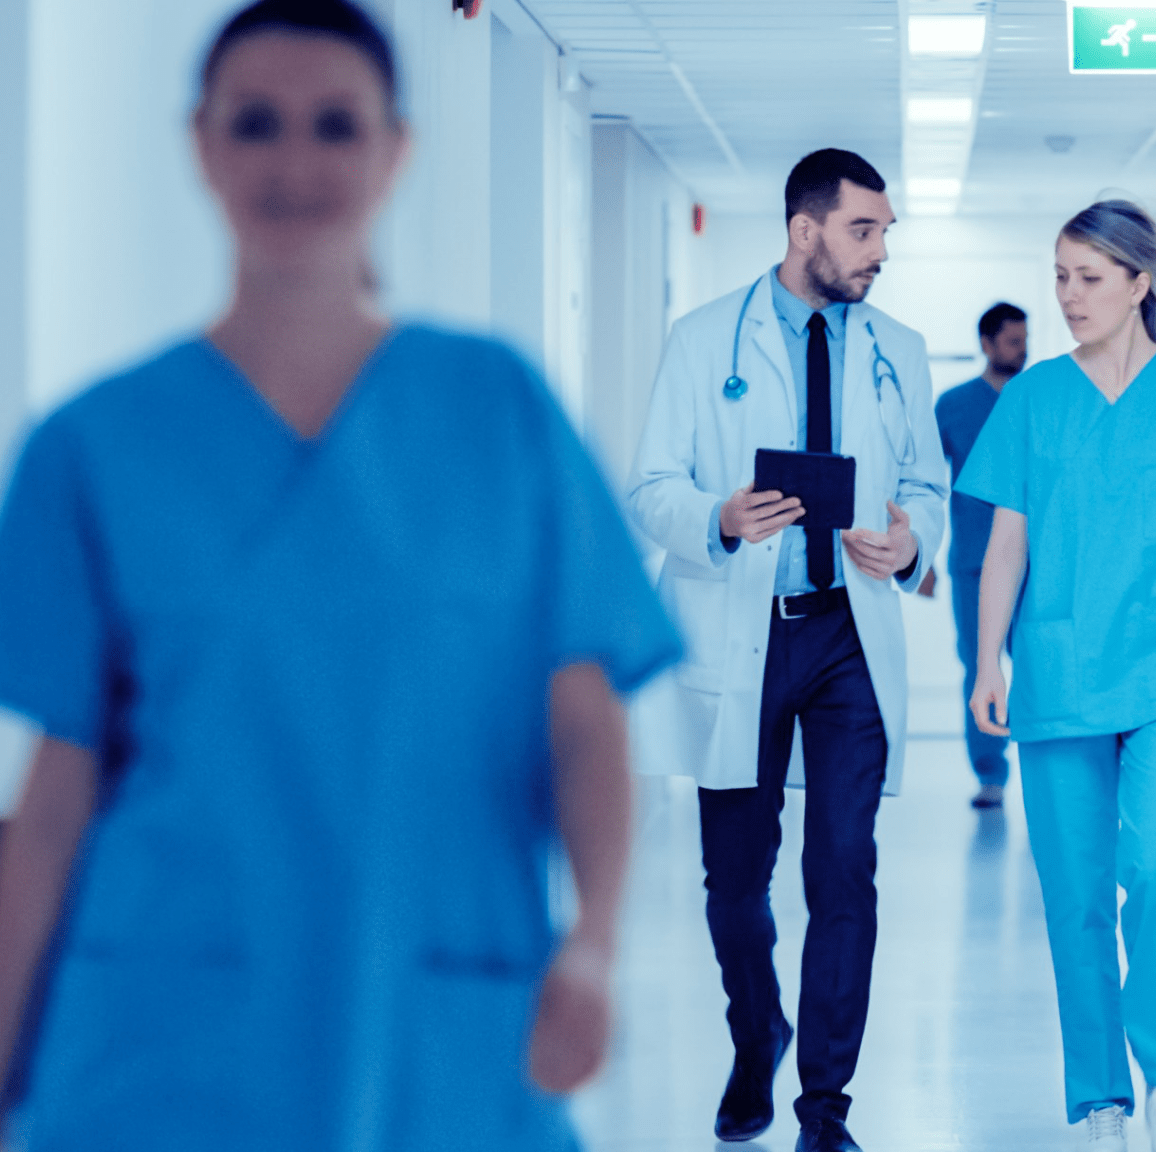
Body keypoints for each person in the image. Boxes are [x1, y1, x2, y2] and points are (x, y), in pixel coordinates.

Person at [0, 2, 681, 1147]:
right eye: (256, 123)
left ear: (394, 150)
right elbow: (58, 794)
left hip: (435, 999)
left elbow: (583, 722)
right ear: (202, 146)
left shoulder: (494, 412)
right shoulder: (96, 446)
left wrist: (595, 941)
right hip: (165, 1019)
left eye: (335, 125)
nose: (295, 162)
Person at [625, 148, 947, 1152]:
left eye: (885, 232)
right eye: (864, 230)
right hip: (741, 629)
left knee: (844, 867)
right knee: (735, 882)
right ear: (803, 229)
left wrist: (910, 540)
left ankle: (823, 1108)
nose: (880, 251)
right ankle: (753, 1027)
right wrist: (718, 516)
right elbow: (648, 489)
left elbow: (928, 488)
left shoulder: (899, 345)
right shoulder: (700, 340)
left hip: (848, 633)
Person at [960, 200, 1156, 1152]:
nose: (1068, 297)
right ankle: (1100, 1097)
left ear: (1140, 284)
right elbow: (1005, 543)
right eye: (1059, 276)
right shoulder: (1034, 398)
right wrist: (985, 661)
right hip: (1057, 672)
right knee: (1078, 894)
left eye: (1089, 278)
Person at [935, 302, 1029, 809]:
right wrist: (921, 556)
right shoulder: (952, 406)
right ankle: (990, 774)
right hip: (972, 562)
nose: (1022, 350)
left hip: (1037, 566)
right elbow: (923, 486)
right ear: (987, 344)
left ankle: (1044, 767)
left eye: (1025, 340)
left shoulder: (1041, 399)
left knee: (1038, 664)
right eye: (1013, 341)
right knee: (981, 668)